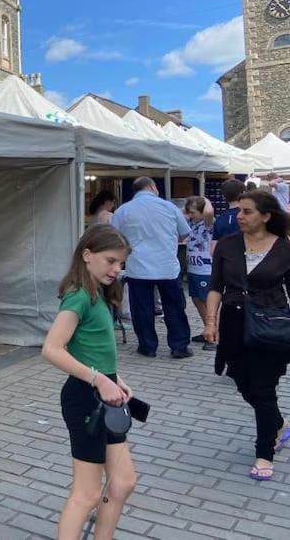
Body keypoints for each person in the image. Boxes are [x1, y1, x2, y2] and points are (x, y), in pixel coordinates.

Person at [43, 225, 136, 540]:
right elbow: (52, 349)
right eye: (111, 260)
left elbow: (90, 349)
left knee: (122, 482)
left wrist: (115, 379)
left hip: (106, 395)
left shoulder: (99, 293)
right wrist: (100, 380)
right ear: (87, 255)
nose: (117, 269)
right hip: (85, 399)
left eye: (121, 263)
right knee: (87, 493)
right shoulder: (79, 295)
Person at [205, 191, 290, 481]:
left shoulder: (284, 248)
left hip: (270, 325)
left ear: (266, 216)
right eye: (239, 210)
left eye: (247, 211)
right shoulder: (227, 245)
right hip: (234, 322)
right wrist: (211, 321)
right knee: (242, 382)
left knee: (263, 389)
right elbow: (215, 286)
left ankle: (264, 453)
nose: (239, 216)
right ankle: (277, 422)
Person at [111, 177, 193, 359]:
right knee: (174, 307)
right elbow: (184, 233)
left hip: (138, 268)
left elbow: (115, 238)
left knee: (142, 309)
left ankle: (147, 346)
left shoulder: (123, 210)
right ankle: (179, 346)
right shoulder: (170, 207)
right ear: (152, 187)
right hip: (167, 267)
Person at [184, 196, 216, 351]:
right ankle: (207, 330)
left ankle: (214, 335)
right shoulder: (192, 223)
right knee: (196, 300)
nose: (190, 215)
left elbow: (209, 211)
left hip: (205, 270)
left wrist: (203, 199)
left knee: (207, 302)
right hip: (193, 269)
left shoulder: (209, 223)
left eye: (193, 212)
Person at [212, 179, 246, 253]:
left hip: (225, 257)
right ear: (242, 193)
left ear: (224, 196)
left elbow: (213, 251)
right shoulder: (247, 216)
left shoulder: (219, 220)